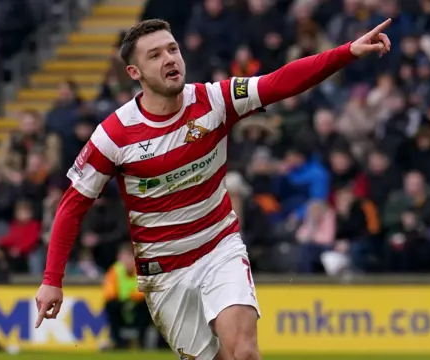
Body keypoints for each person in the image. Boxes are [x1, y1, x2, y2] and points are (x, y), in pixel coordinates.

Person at [35, 18, 392, 360]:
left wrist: (347, 51)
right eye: (155, 55)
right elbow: (72, 205)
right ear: (135, 72)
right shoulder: (114, 136)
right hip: (165, 275)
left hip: (218, 247)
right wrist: (52, 280)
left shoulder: (215, 100)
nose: (170, 58)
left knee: (245, 353)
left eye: (172, 49)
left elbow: (280, 81)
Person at [102, 243, 151, 349]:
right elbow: (109, 293)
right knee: (110, 306)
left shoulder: (141, 270)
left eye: (129, 257)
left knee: (146, 306)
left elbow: (145, 291)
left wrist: (131, 296)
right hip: (121, 304)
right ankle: (118, 341)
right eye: (123, 257)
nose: (126, 261)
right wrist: (128, 297)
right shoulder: (114, 270)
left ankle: (141, 341)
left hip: (138, 304)